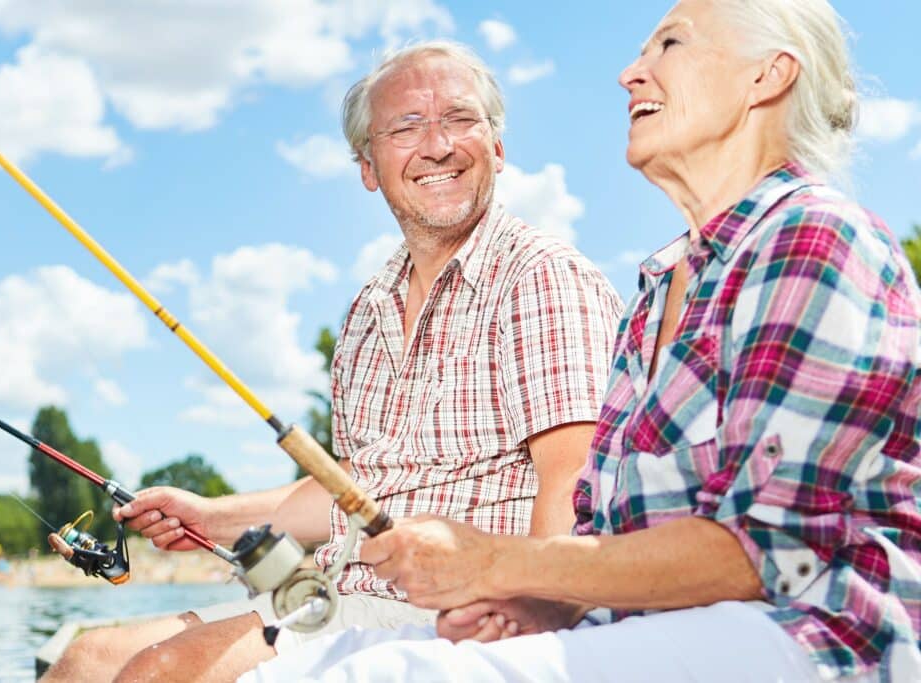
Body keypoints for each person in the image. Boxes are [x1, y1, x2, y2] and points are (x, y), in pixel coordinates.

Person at [240, 1, 921, 681]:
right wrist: (539, 607)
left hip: (813, 640)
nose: (630, 74)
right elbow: (606, 538)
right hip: (648, 628)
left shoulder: (815, 239)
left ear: (766, 77)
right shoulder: (656, 290)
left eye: (670, 44)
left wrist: (495, 560)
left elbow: (768, 551)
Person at [41, 41, 622, 683]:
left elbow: (576, 479)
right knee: (85, 660)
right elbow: (353, 486)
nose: (437, 146)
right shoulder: (367, 309)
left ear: (498, 147)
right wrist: (213, 515)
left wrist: (529, 622)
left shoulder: (545, 279)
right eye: (406, 126)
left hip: (454, 614)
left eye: (460, 120)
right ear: (367, 165)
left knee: (162, 673)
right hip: (333, 599)